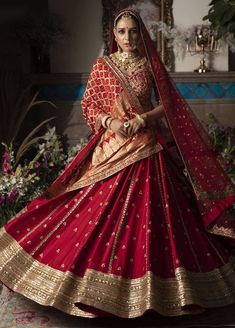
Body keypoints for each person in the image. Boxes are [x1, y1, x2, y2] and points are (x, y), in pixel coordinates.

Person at [0, 8, 235, 319]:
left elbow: (168, 103)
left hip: (148, 146)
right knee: (89, 210)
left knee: (161, 211)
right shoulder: (103, 65)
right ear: (113, 35)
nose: (128, 37)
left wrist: (143, 118)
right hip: (111, 148)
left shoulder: (150, 63)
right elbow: (90, 104)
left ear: (141, 34)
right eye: (122, 31)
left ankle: (169, 289)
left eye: (133, 31)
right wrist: (110, 122)